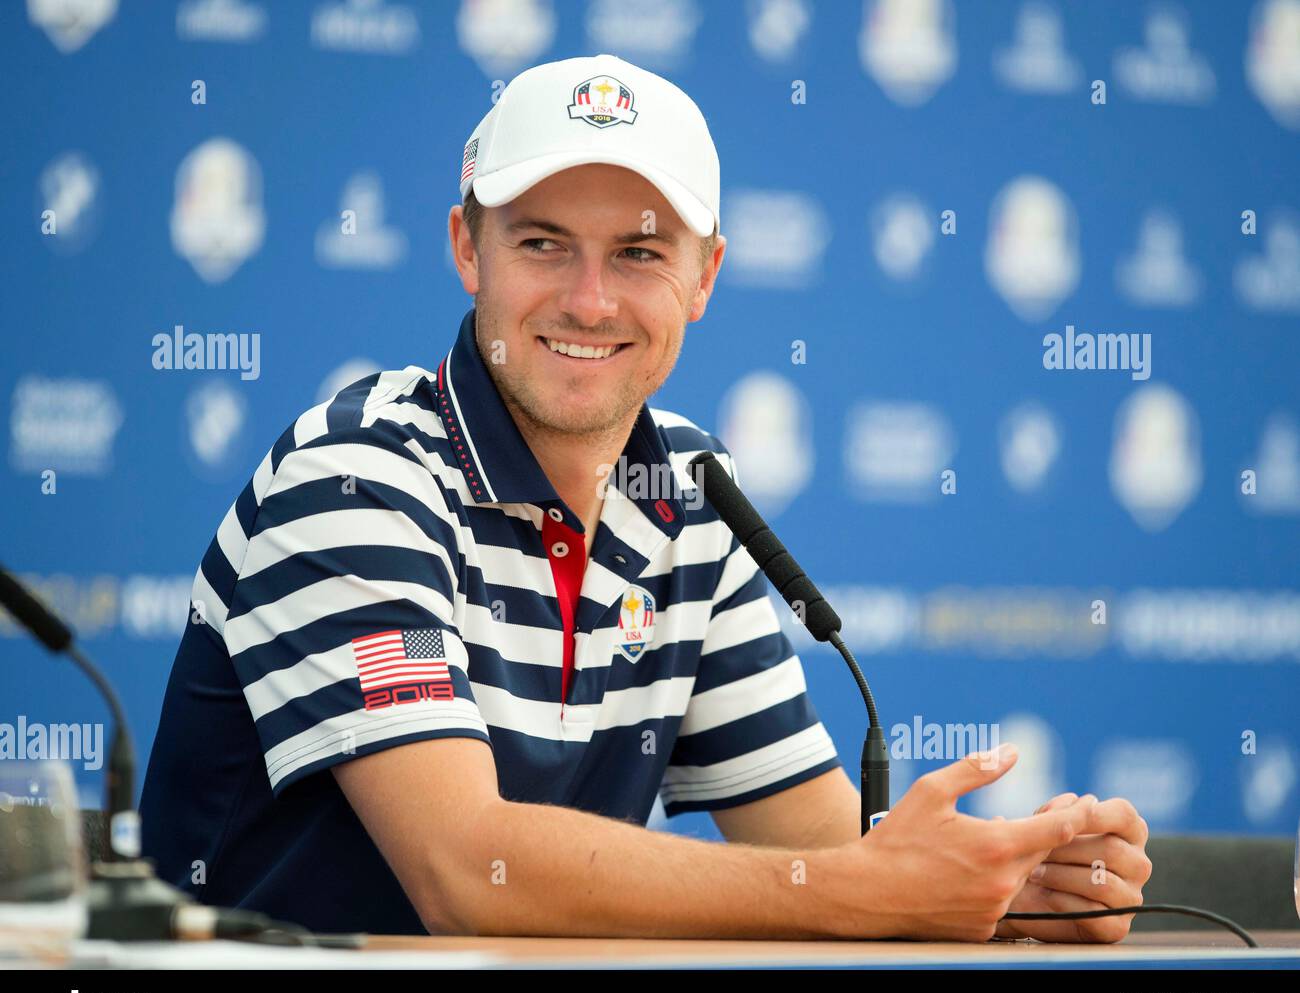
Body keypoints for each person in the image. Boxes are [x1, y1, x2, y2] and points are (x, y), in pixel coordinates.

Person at [140, 53, 1150, 941]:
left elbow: (817, 842)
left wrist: (1002, 880)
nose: (589, 300)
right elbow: (466, 870)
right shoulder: (356, 475)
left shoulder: (687, 490)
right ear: (465, 247)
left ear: (704, 277)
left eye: (638, 252)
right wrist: (867, 891)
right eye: (541, 243)